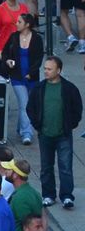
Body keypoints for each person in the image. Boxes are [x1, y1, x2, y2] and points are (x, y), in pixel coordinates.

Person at [28, 54, 82, 209]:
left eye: (49, 69)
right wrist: (37, 125)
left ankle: (66, 196)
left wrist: (70, 125)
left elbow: (77, 109)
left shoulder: (69, 88)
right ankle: (48, 195)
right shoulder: (39, 88)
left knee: (65, 166)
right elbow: (30, 108)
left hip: (63, 134)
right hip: (45, 134)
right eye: (45, 68)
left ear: (58, 70)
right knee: (46, 167)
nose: (45, 71)